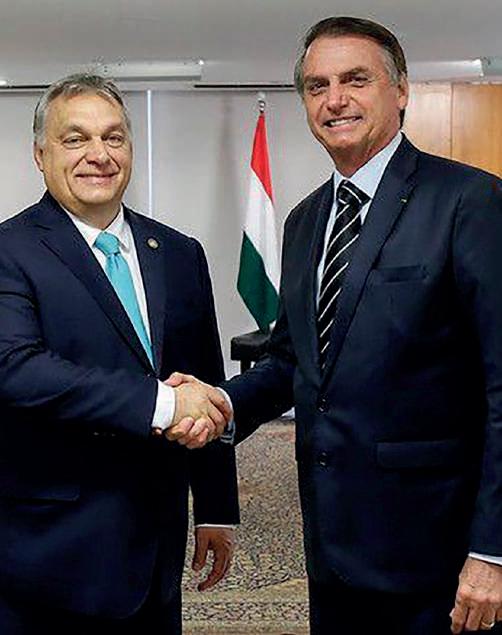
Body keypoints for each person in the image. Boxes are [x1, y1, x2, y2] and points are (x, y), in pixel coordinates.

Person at [167, 16, 502, 635]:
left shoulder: (469, 202)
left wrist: (492, 550)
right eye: (317, 86)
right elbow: (291, 362)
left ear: (401, 89)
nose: (335, 99)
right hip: (331, 548)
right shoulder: (304, 221)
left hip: (439, 552)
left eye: (355, 80)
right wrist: (221, 404)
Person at [0, 73, 239, 634]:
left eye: (113, 137)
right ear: (40, 155)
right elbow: (16, 369)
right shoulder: (10, 252)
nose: (98, 155)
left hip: (155, 548)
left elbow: (204, 379)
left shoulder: (178, 252)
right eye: (75, 139)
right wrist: (162, 405)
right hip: (51, 554)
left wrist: (215, 507)